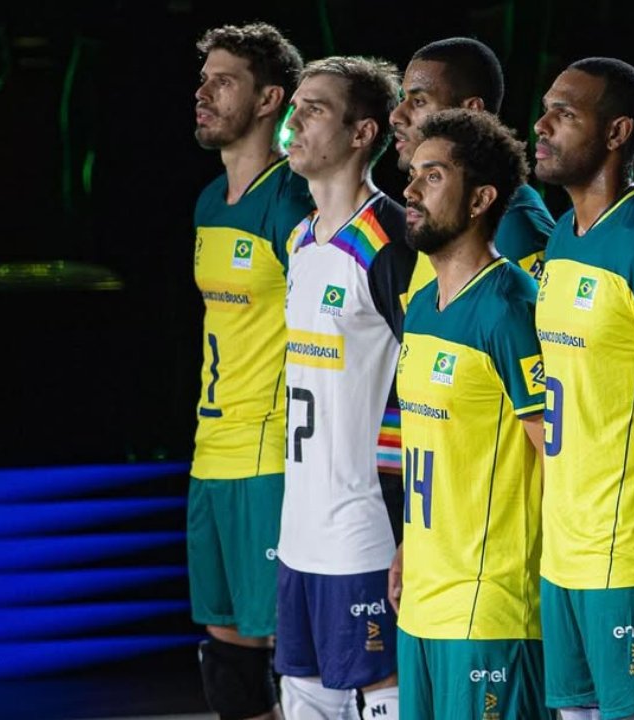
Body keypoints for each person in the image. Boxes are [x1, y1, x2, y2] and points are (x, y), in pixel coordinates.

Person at [533, 57, 634, 720]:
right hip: (563, 553)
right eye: (545, 109)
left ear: (617, 132)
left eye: (564, 114)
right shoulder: (562, 240)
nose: (541, 126)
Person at [390, 108, 548, 720]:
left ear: (481, 199)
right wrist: (408, 545)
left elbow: (555, 457)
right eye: (413, 174)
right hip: (422, 604)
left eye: (433, 177)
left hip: (490, 609)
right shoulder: (421, 305)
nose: (410, 190)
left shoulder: (509, 309)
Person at [275, 56, 414, 720]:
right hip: (298, 531)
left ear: (362, 134)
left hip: (363, 531)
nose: (293, 121)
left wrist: (412, 525)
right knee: (302, 694)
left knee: (380, 691)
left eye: (315, 109)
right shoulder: (301, 241)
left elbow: (424, 384)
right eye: (294, 106)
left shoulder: (389, 242)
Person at [188, 22, 310, 720]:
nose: (203, 93)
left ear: (269, 100)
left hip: (270, 459)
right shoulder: (209, 201)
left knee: (291, 650)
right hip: (211, 452)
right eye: (203, 79)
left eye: (223, 81)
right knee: (227, 653)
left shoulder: (291, 201)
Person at [389, 37, 553, 294]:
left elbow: (550, 318)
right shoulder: (439, 218)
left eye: (419, 101)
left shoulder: (515, 224)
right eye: (402, 98)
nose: (396, 115)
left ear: (472, 111)